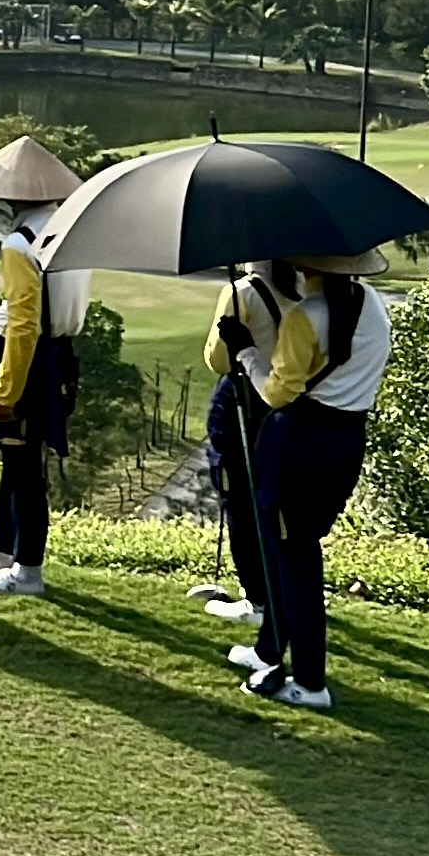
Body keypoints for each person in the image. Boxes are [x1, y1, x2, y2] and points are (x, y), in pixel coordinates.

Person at [231, 250, 395, 710]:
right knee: (292, 551)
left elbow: (278, 392)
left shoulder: (308, 316)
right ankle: (268, 650)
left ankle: (308, 680)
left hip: (300, 441)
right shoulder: (373, 305)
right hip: (345, 441)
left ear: (305, 265)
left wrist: (245, 352)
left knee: (296, 563)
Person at [0, 136, 88, 598]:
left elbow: (23, 326)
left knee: (23, 464)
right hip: (62, 355)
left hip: (29, 359)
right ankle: (3, 551)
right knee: (19, 462)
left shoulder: (20, 243)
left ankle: (27, 569)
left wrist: (6, 391)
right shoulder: (69, 228)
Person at [193, 265, 290, 630]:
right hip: (284, 400)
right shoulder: (300, 283)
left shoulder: (244, 291)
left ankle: (257, 598)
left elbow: (218, 359)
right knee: (274, 499)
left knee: (239, 496)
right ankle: (281, 591)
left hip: (244, 397)